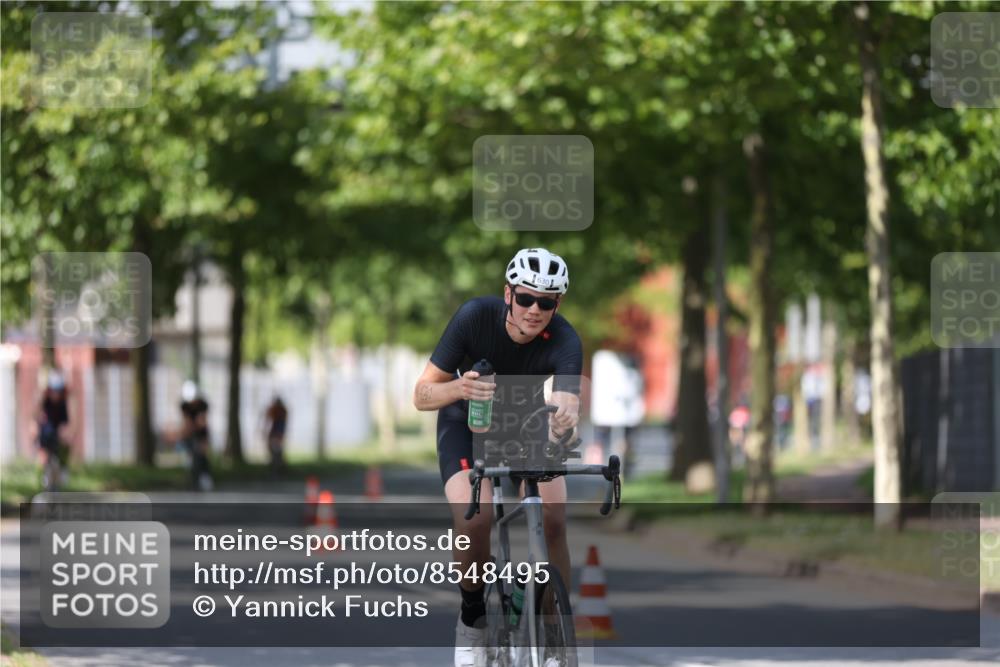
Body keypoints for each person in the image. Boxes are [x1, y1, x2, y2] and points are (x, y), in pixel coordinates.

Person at [413, 248, 582, 667]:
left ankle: (552, 626)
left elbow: (565, 404)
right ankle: (472, 619)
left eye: (546, 302)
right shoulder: (474, 317)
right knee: (476, 516)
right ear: (508, 294)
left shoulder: (565, 338)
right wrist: (459, 388)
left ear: (556, 305)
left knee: (555, 515)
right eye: (525, 298)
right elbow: (421, 395)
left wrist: (565, 423)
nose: (534, 310)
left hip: (524, 424)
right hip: (467, 420)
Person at [36, 371, 70, 490]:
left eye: (58, 391)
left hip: (60, 430)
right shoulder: (44, 399)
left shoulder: (67, 401)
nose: (56, 394)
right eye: (53, 390)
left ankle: (62, 468)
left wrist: (67, 432)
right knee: (45, 433)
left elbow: (72, 421)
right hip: (47, 431)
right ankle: (45, 473)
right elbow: (34, 415)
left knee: (64, 443)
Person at [179, 381, 213, 491]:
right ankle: (191, 476)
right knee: (191, 453)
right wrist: (187, 433)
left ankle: (205, 476)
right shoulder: (184, 405)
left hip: (201, 431)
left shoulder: (203, 405)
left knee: (202, 453)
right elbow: (186, 421)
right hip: (190, 430)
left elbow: (203, 422)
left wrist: (203, 440)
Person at [263, 395, 288, 473]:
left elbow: (268, 419)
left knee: (276, 449)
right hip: (277, 432)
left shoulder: (278, 410)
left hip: (277, 432)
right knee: (275, 449)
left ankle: (277, 465)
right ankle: (277, 464)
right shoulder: (278, 410)